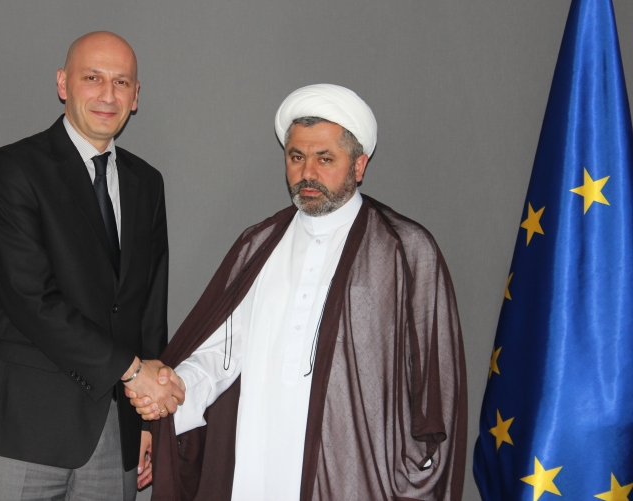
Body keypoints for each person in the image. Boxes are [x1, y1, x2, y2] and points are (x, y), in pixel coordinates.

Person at [128, 84, 468, 500]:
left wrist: (415, 469)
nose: (308, 173)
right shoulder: (260, 245)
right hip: (258, 466)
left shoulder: (404, 250)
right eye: (296, 157)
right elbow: (221, 354)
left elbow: (436, 383)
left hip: (356, 474)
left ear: (359, 165)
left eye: (325, 159)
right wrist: (172, 391)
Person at [0, 31, 185, 501]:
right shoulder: (11, 169)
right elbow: (31, 299)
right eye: (92, 78)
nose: (108, 95)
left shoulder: (147, 183)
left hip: (114, 430)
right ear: (63, 84)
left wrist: (147, 420)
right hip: (20, 427)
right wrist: (132, 371)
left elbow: (148, 307)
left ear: (136, 96)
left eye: (121, 82)